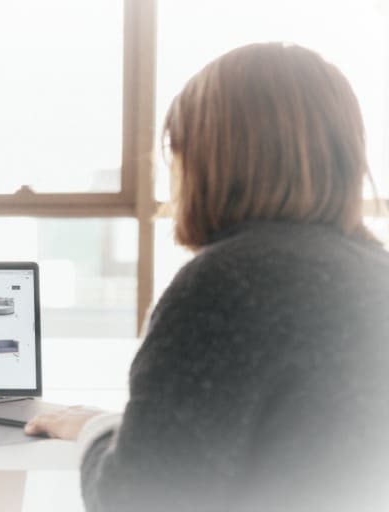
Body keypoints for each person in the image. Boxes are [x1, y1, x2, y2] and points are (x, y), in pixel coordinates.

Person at [25, 43, 389, 511]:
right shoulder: (374, 274)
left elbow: (138, 500)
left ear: (205, 159)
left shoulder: (229, 283)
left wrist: (96, 428)